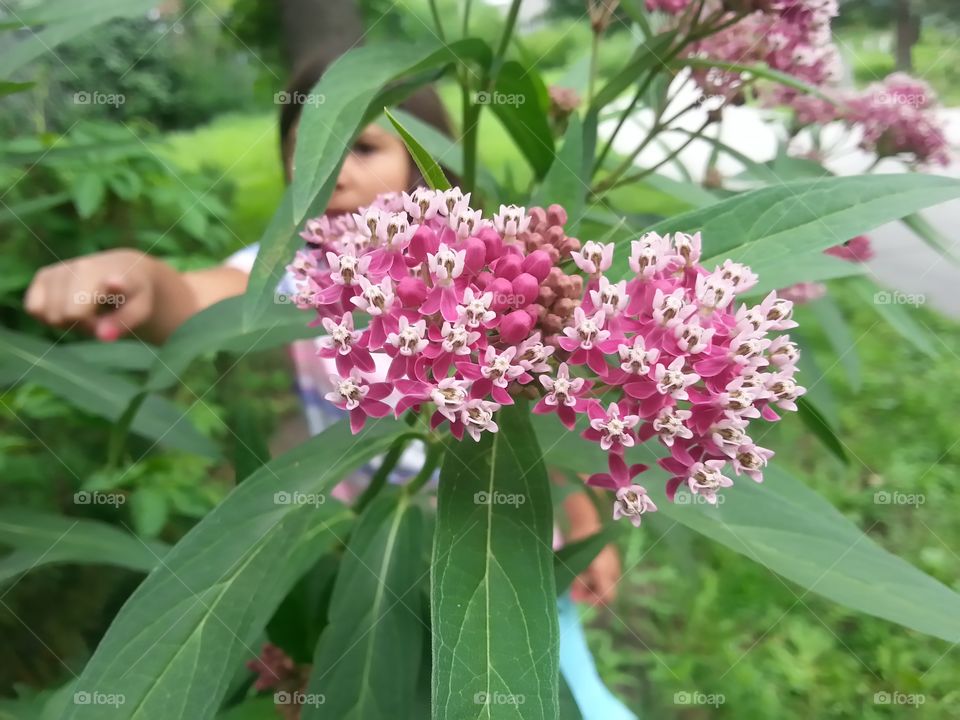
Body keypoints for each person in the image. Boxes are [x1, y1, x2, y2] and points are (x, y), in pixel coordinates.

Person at [24, 52, 636, 720]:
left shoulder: (475, 268)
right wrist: (132, 273)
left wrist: (581, 522)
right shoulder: (299, 275)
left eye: (365, 145)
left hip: (510, 538)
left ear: (426, 158)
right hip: (376, 544)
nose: (333, 169)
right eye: (310, 148)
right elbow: (205, 299)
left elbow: (549, 426)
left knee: (569, 692)